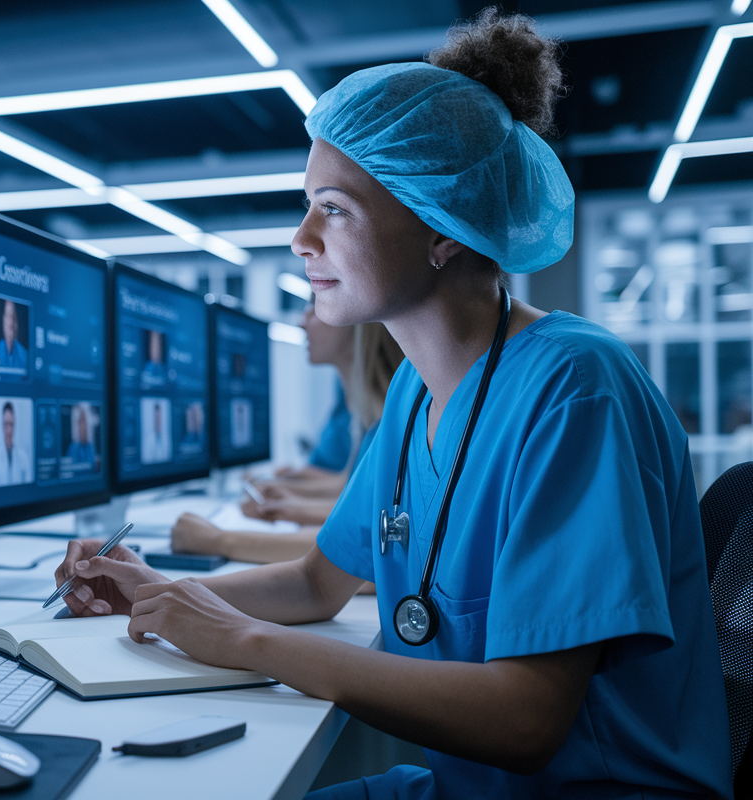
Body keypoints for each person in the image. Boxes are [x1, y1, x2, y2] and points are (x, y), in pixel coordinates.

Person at [54, 11, 730, 799]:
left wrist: (240, 639)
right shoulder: (413, 389)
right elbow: (315, 583)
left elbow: (525, 721)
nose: (302, 237)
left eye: (334, 208)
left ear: (442, 230)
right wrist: (160, 594)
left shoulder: (575, 390)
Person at [174, 318, 403, 562]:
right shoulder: (378, 424)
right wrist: (286, 507)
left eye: (314, 306)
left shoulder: (397, 425)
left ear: (358, 324)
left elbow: (370, 546)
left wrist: (219, 540)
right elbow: (356, 499)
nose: (301, 321)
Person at [0, 401, 32, 486]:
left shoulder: (24, 457)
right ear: (2, 425)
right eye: (6, 424)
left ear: (15, 425)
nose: (9, 430)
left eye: (11, 424)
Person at [0, 299, 29, 371]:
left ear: (17, 324)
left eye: (13, 317)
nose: (10, 322)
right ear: (3, 320)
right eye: (7, 316)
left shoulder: (24, 355)